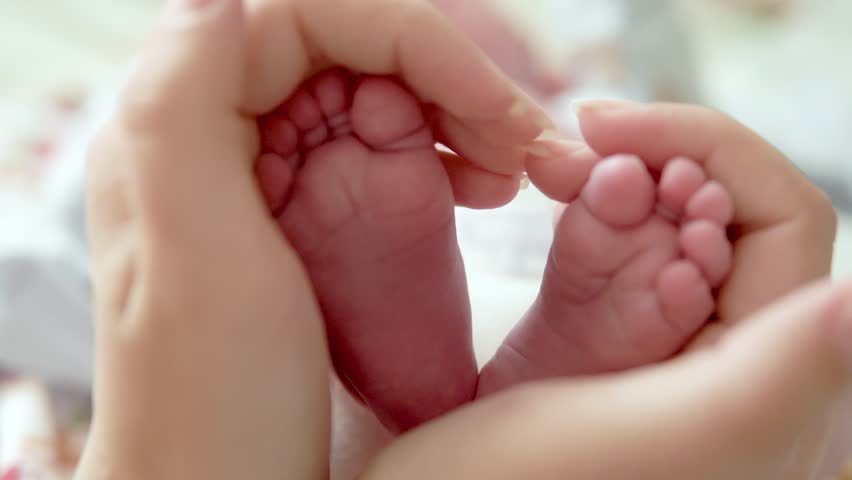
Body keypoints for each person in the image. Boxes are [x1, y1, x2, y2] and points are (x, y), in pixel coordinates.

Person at [74, 0, 843, 479]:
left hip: (521, 221)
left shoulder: (589, 110)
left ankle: (396, 396)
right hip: (507, 227)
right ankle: (514, 394)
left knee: (617, 218)